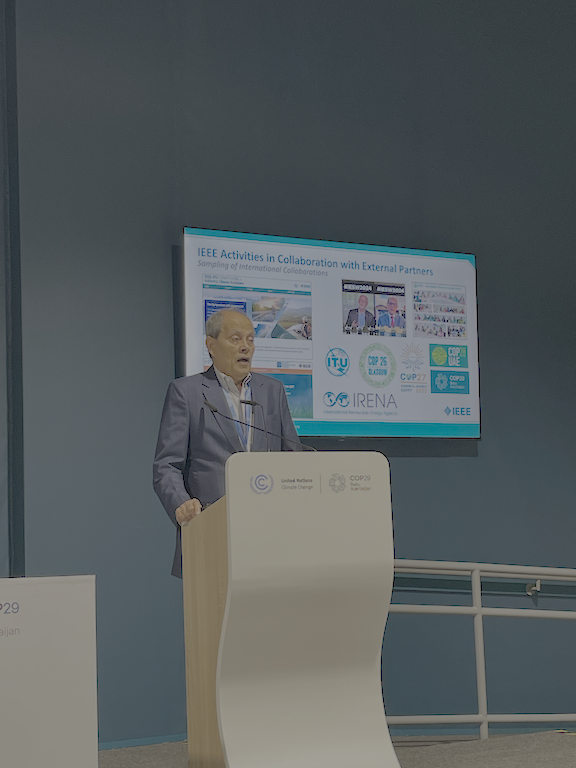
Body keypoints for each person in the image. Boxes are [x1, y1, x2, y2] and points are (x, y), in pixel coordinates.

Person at [153, 309, 301, 577]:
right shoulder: (186, 393)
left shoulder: (273, 391)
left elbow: (292, 457)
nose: (245, 346)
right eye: (235, 339)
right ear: (211, 345)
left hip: (269, 536)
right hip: (211, 532)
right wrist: (181, 504)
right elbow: (166, 465)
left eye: (250, 339)